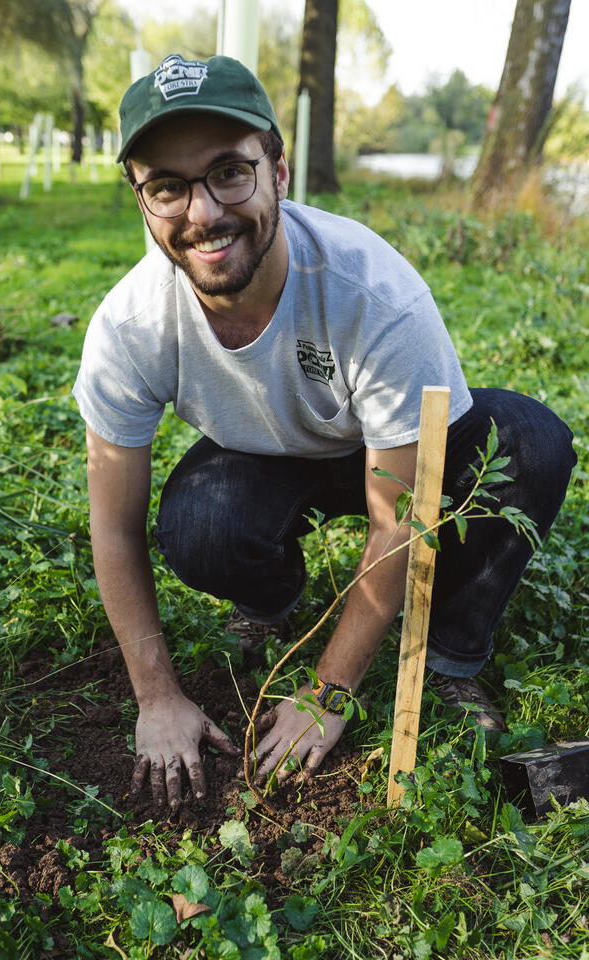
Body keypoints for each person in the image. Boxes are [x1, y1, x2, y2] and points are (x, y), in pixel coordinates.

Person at [72, 54, 576, 812]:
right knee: (199, 524)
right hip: (266, 454)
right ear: (140, 201)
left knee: (533, 446)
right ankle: (270, 599)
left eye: (228, 173)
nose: (203, 212)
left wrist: (328, 689)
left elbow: (399, 519)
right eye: (168, 186)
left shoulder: (372, 293)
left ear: (278, 171)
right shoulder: (131, 327)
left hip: (390, 444)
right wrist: (157, 697)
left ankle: (453, 652)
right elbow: (113, 530)